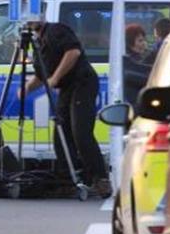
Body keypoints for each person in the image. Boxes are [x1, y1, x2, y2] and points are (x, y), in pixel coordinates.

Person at [21, 19, 112, 199]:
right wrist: (26, 90)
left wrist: (55, 78)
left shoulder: (57, 30)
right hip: (67, 88)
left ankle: (101, 179)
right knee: (61, 134)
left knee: (81, 133)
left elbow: (73, 52)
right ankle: (69, 179)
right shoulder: (38, 43)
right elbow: (41, 76)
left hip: (82, 82)